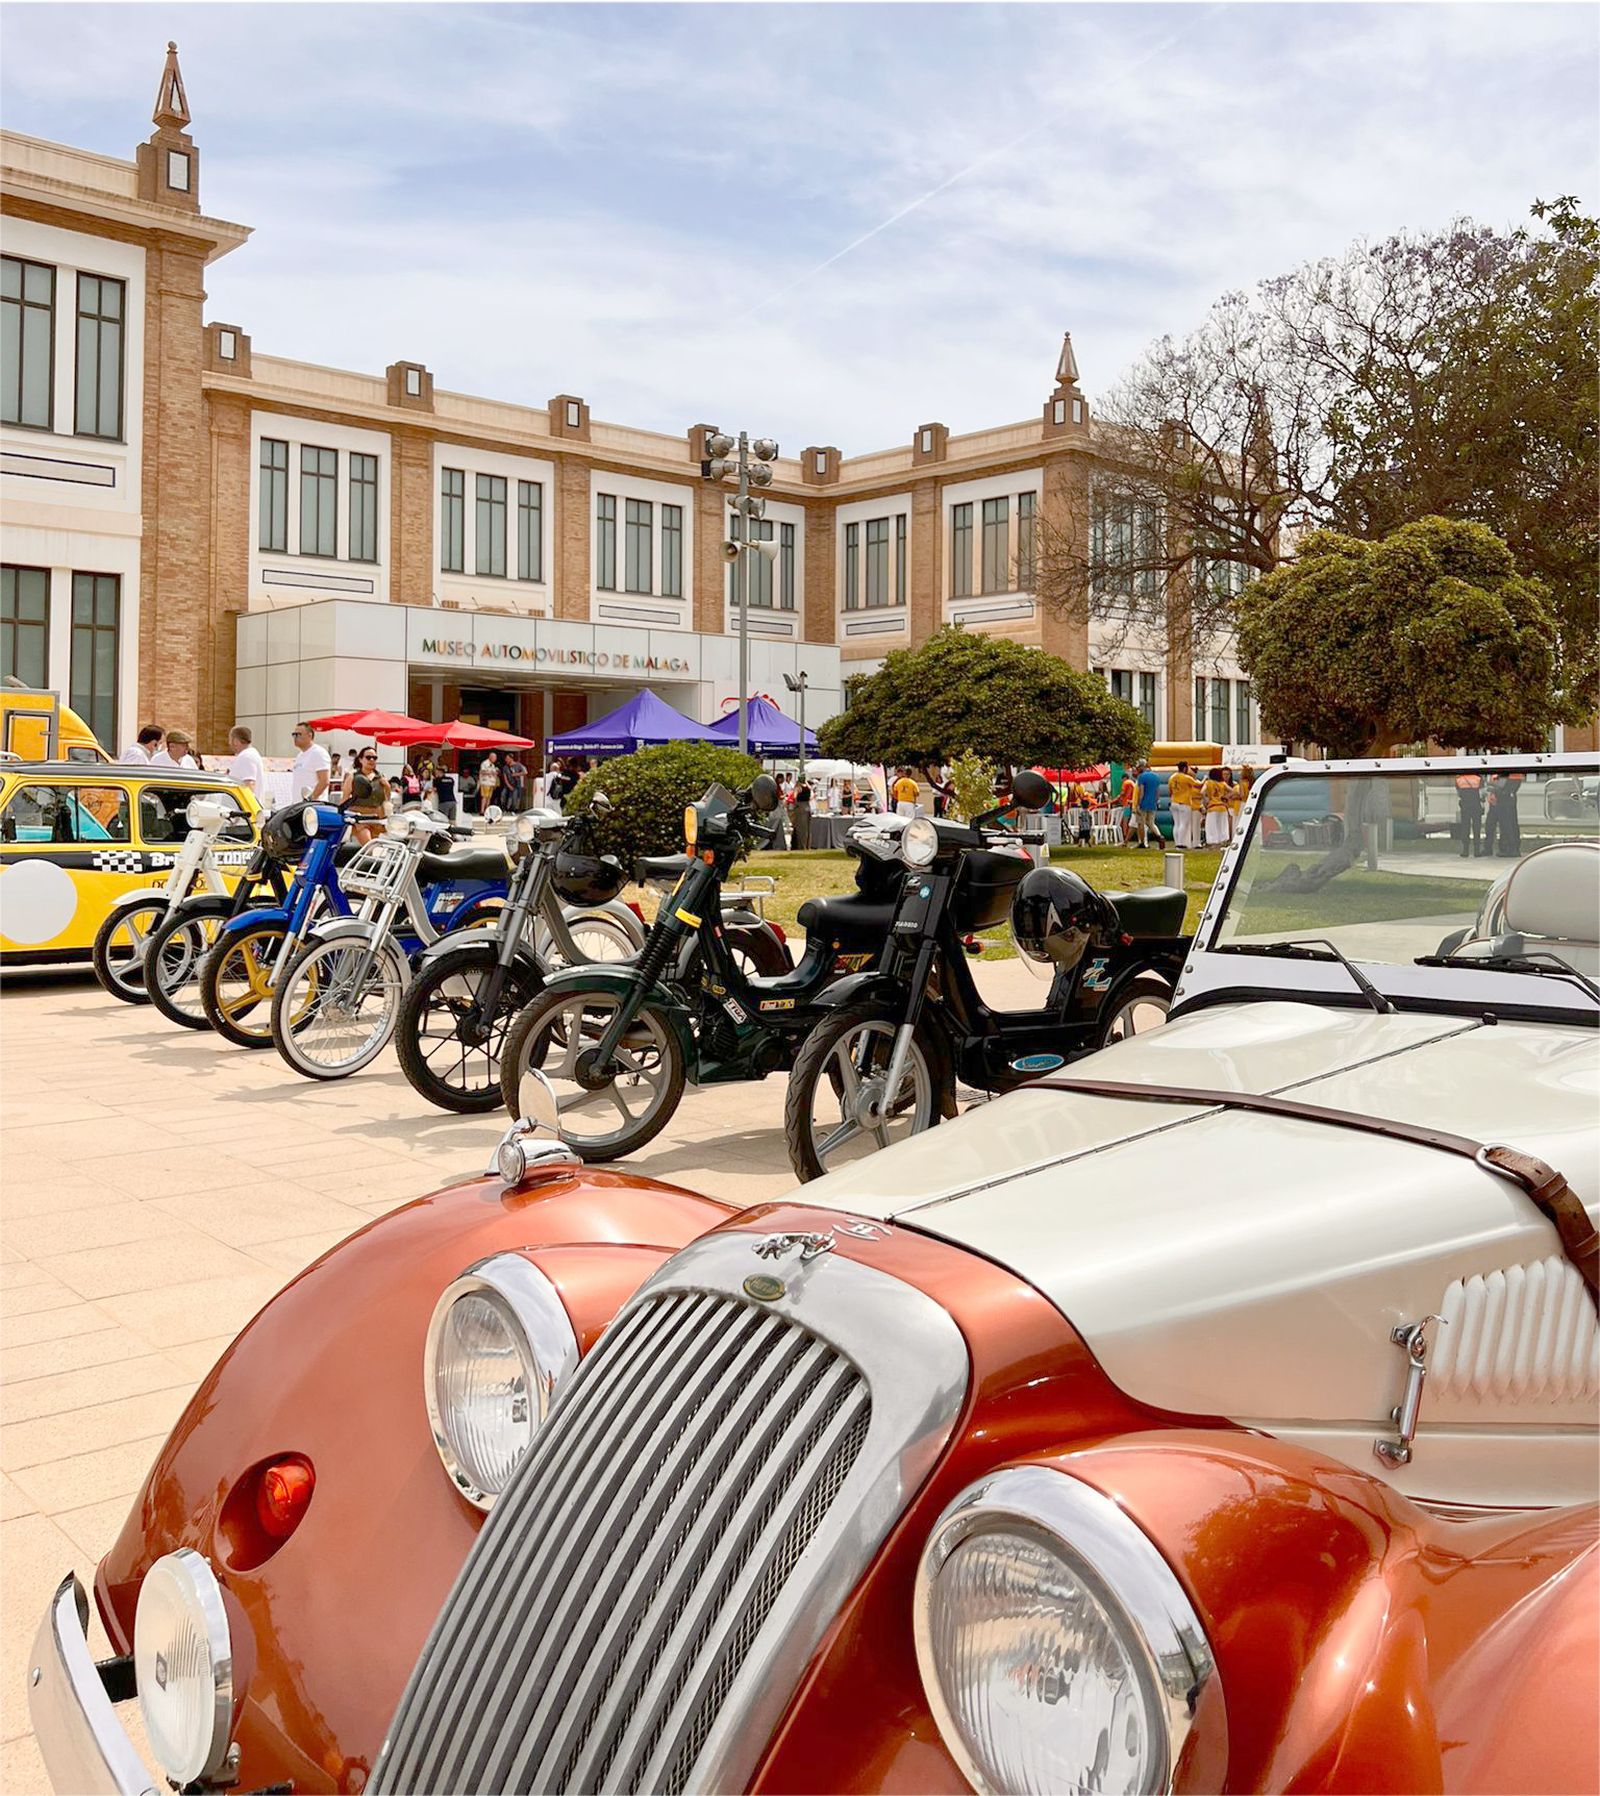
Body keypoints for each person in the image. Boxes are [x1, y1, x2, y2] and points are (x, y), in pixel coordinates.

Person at [346, 747, 388, 843]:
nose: (372, 760)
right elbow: (345, 798)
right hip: (360, 818)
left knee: (375, 848)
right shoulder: (353, 777)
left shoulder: (380, 777)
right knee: (369, 845)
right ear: (361, 759)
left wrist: (387, 786)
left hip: (377, 818)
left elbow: (386, 800)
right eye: (368, 757)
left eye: (374, 758)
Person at [288, 722, 332, 802]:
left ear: (310, 735)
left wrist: (311, 799)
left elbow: (324, 781)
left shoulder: (318, 753)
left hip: (313, 806)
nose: (295, 737)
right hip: (298, 805)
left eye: (298, 734)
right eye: (294, 734)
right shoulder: (300, 755)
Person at [226, 726, 268, 802]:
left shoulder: (247, 756)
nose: (229, 743)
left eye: (230, 740)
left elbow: (249, 784)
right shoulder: (247, 755)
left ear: (235, 741)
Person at [1168, 760, 1198, 849]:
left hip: (1174, 801)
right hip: (1184, 802)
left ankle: (1177, 842)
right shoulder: (1186, 778)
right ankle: (1180, 843)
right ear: (1185, 768)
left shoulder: (1172, 777)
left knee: (1176, 824)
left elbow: (1170, 790)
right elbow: (1198, 784)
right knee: (1183, 824)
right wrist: (1204, 779)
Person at [1133, 759, 1162, 848]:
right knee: (1151, 823)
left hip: (1143, 804)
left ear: (1142, 767)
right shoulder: (1156, 777)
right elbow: (1157, 792)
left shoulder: (1141, 777)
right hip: (1152, 804)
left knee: (1141, 823)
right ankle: (1160, 837)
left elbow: (1141, 792)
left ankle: (1142, 843)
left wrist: (1138, 804)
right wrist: (1156, 801)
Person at [1454, 771, 1483, 858]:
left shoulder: (1459, 779)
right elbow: (1482, 793)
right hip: (1476, 804)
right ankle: (1477, 851)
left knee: (1465, 827)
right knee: (1476, 827)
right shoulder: (1478, 779)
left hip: (1465, 805)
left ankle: (1465, 851)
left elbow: (1459, 793)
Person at [1202, 765, 1231, 847]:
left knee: (1211, 825)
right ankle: (1223, 840)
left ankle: (1213, 841)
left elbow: (1202, 792)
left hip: (1212, 806)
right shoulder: (1222, 783)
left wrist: (1206, 800)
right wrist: (1226, 797)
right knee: (1222, 825)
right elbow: (1233, 791)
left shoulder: (1208, 783)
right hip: (1222, 806)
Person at [433, 754, 459, 825]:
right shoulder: (451, 779)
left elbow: (434, 790)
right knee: (452, 820)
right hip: (453, 801)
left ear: (439, 772)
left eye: (436, 772)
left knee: (443, 820)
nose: (435, 773)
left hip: (444, 802)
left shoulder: (437, 780)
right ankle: (455, 834)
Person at [1117, 768, 1138, 845]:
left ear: (1124, 778)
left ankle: (1124, 835)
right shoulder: (1133, 783)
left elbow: (1122, 793)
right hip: (1132, 804)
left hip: (1127, 804)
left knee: (1125, 821)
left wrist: (1119, 798)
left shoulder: (1126, 783)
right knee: (1132, 822)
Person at [792, 778, 813, 850]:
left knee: (801, 829)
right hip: (808, 807)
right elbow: (810, 796)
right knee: (808, 828)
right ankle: (808, 846)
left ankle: (802, 846)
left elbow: (794, 797)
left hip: (800, 807)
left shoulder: (798, 787)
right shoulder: (808, 787)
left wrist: (795, 804)